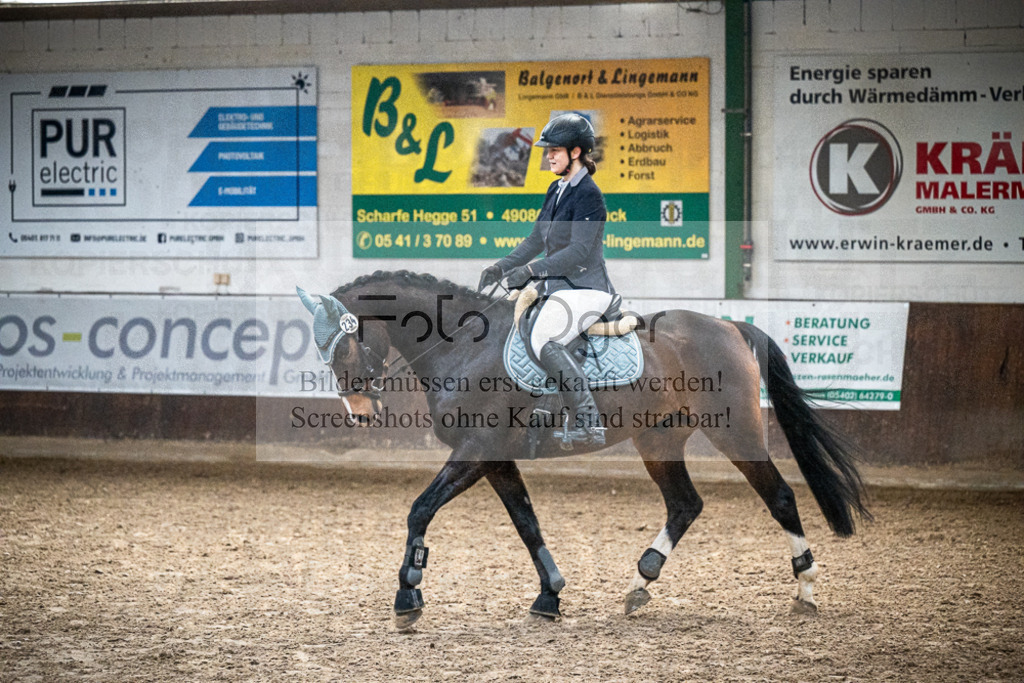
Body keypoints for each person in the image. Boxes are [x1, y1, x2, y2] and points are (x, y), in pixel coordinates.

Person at [478, 112, 617, 447]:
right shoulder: (556, 189)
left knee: (544, 339)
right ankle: (544, 407)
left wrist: (530, 271)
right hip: (559, 287)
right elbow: (535, 241)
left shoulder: (588, 194)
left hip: (587, 288)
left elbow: (580, 251)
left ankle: (589, 423)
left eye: (555, 150)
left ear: (576, 152)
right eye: (547, 150)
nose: (548, 155)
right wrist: (501, 266)